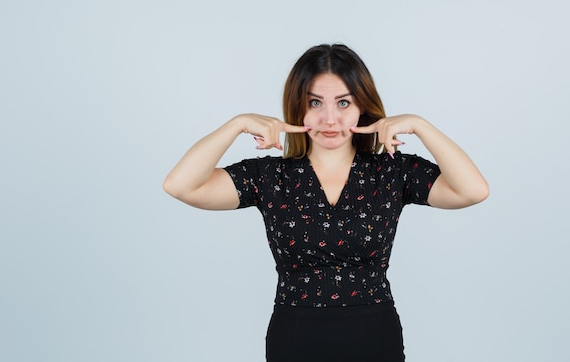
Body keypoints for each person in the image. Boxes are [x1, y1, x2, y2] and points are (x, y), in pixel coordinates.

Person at [163, 44, 489, 362]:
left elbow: (472, 191)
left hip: (375, 336)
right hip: (294, 338)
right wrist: (238, 123)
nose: (329, 119)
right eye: (315, 102)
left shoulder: (393, 171)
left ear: (362, 107)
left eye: (343, 103)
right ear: (298, 107)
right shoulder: (268, 176)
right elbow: (180, 185)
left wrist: (420, 125)